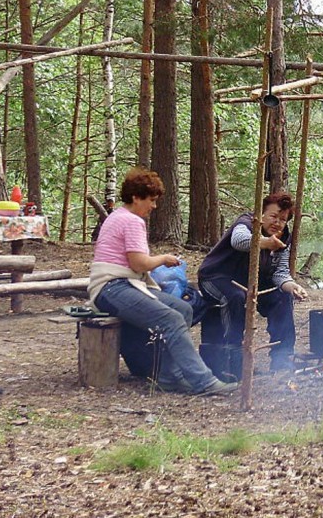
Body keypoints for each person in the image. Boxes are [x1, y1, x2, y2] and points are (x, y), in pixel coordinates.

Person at [87, 167, 238, 396]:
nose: (154, 206)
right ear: (136, 197)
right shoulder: (131, 221)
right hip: (112, 288)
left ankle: (168, 376)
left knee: (183, 309)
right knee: (171, 318)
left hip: (118, 285)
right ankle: (203, 381)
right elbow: (139, 264)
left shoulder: (118, 216)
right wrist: (163, 259)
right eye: (151, 200)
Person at [198, 191, 308, 373]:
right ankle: (234, 358)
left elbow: (280, 273)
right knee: (235, 297)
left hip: (251, 283)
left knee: (283, 298)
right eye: (273, 216)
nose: (277, 223)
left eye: (282, 219)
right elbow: (238, 241)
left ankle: (282, 357)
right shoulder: (246, 222)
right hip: (216, 277)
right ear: (262, 214)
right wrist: (265, 242)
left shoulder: (283, 238)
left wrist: (292, 286)